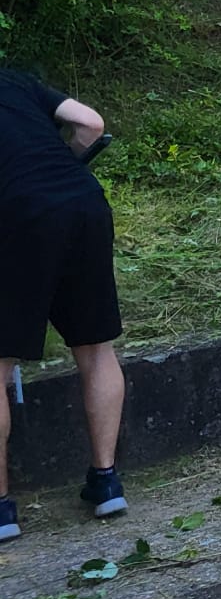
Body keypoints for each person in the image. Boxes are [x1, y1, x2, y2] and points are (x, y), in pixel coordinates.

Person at [0, 69, 129, 542]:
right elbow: (91, 124)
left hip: (17, 214)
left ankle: (2, 510)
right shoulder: (13, 80)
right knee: (95, 348)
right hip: (83, 202)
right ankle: (106, 481)